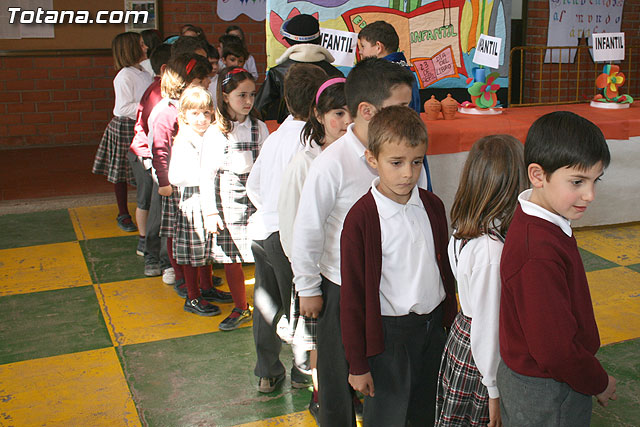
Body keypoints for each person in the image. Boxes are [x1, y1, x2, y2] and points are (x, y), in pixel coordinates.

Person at [291, 57, 435, 427]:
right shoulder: (332, 163)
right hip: (343, 285)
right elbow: (307, 228)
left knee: (384, 378)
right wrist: (308, 287)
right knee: (338, 372)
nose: (410, 115)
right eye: (400, 107)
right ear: (368, 111)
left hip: (391, 290)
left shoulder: (406, 156)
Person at [340, 106, 457, 426]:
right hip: (389, 341)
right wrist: (357, 364)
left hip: (433, 333)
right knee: (389, 418)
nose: (408, 173)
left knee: (427, 414)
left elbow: (444, 272)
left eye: (417, 162)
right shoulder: (362, 219)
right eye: (396, 162)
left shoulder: (432, 206)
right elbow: (352, 298)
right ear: (372, 159)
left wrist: (450, 323)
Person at [498, 111, 617, 425]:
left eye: (595, 180)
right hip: (548, 391)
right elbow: (556, 352)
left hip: (545, 382)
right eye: (577, 182)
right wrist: (598, 381)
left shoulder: (543, 221)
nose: (590, 195)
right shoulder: (537, 252)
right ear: (538, 175)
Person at [246, 63, 328, 394]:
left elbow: (253, 186)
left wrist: (269, 209)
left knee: (266, 305)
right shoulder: (311, 141)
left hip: (263, 230)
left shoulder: (276, 135)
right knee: (300, 304)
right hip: (287, 237)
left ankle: (267, 372)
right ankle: (302, 370)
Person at [435, 135, 527, 427]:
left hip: (464, 339)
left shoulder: (466, 228)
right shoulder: (492, 252)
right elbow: (488, 325)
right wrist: (493, 389)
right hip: (482, 357)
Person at [277, 75, 351, 420]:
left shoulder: (360, 156)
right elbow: (292, 225)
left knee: (345, 342)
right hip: (318, 274)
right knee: (323, 344)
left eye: (352, 112)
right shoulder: (305, 163)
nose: (346, 121)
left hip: (345, 271)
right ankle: (323, 396)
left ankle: (345, 391)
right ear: (319, 116)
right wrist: (306, 280)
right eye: (338, 113)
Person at [200, 67, 269, 331]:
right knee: (232, 256)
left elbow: (267, 166)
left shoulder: (259, 127)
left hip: (256, 197)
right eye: (242, 95)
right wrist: (210, 211)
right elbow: (207, 175)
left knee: (262, 252)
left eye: (252, 94)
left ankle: (268, 306)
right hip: (227, 198)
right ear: (225, 96)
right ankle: (241, 306)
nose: (248, 101)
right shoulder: (216, 132)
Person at [148, 53, 215, 291]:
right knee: (176, 234)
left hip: (194, 183)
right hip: (175, 184)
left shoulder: (194, 106)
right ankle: (181, 277)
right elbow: (160, 150)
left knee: (199, 236)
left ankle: (202, 280)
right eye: (202, 79)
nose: (207, 83)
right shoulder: (167, 111)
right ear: (187, 80)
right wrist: (164, 182)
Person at [168, 86, 230, 316]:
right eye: (195, 113)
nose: (201, 119)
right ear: (184, 115)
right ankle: (193, 297)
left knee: (206, 248)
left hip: (209, 197)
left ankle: (207, 287)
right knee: (192, 251)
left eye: (206, 113)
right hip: (193, 200)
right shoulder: (184, 141)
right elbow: (175, 177)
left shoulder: (210, 136)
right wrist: (205, 175)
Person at [357, 20, 432, 191]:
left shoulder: (382, 76)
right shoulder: (406, 70)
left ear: (378, 47)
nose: (360, 52)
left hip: (393, 142)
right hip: (412, 139)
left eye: (363, 46)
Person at [92, 32, 153, 233]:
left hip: (141, 124)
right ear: (130, 49)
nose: (146, 48)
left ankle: (143, 208)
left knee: (140, 169)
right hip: (125, 126)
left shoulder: (144, 71)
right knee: (120, 171)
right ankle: (123, 213)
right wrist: (148, 107)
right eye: (141, 45)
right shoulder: (125, 75)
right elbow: (123, 108)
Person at [128, 43, 172, 276]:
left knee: (159, 208)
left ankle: (163, 257)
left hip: (157, 156)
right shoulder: (159, 94)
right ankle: (153, 256)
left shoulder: (163, 90)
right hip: (149, 156)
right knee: (153, 207)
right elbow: (154, 135)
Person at [254, 13, 343, 123]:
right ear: (319, 39)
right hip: (326, 132)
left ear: (288, 41)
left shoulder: (277, 73)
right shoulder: (335, 74)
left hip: (289, 131)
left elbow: (258, 110)